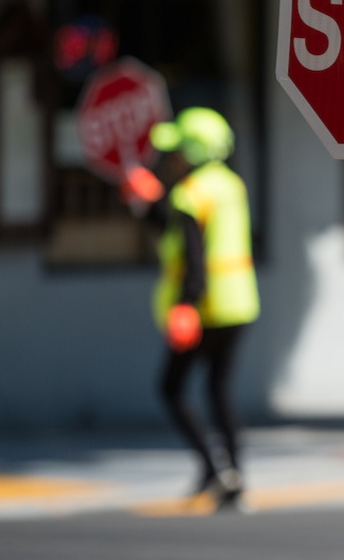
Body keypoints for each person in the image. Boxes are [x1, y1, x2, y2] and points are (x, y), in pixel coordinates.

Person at [122, 106, 261, 510]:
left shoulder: (187, 194)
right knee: (219, 390)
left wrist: (185, 306)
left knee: (170, 388)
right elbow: (184, 232)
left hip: (203, 308)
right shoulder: (232, 185)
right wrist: (149, 205)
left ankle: (212, 469)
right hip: (239, 304)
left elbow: (192, 257)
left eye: (178, 150)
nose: (172, 158)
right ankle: (231, 475)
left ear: (194, 152)